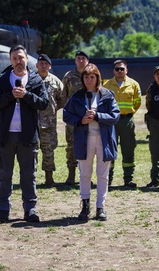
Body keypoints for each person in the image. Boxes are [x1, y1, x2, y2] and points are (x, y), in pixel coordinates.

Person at [0, 45, 49, 223]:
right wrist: (10, 95)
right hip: (5, 135)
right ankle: (3, 209)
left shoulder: (35, 80)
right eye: (14, 58)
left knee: (28, 175)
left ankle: (30, 209)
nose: (18, 61)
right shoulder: (2, 80)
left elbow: (44, 103)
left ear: (26, 59)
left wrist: (26, 95)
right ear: (10, 60)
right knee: (4, 174)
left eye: (21, 57)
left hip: (27, 135)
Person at [63, 63, 119, 221]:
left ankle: (100, 207)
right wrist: (81, 120)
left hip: (104, 139)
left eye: (92, 77)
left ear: (97, 78)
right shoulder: (77, 96)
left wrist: (97, 116)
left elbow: (115, 116)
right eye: (86, 77)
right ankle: (85, 206)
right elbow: (66, 115)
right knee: (85, 174)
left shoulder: (107, 95)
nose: (89, 80)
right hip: (84, 139)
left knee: (102, 175)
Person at [103, 60, 141, 188]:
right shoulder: (107, 85)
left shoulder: (134, 84)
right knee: (110, 150)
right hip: (111, 122)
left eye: (122, 69)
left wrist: (128, 113)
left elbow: (137, 102)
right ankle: (108, 178)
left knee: (128, 149)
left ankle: (128, 179)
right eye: (117, 69)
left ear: (126, 70)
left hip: (127, 121)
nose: (120, 71)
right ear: (113, 71)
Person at [36, 53, 66, 187]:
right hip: (32, 123)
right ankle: (31, 178)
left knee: (48, 151)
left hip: (49, 123)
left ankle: (49, 178)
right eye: (41, 63)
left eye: (46, 64)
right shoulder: (31, 79)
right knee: (31, 152)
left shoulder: (55, 81)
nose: (43, 65)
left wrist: (52, 110)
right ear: (37, 65)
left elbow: (62, 98)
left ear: (49, 66)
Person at [62, 50, 90, 185]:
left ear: (87, 61)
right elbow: (63, 96)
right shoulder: (69, 76)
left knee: (89, 146)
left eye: (83, 58)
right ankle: (71, 174)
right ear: (75, 61)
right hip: (73, 118)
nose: (80, 60)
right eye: (78, 58)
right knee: (71, 146)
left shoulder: (92, 75)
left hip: (89, 117)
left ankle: (86, 176)